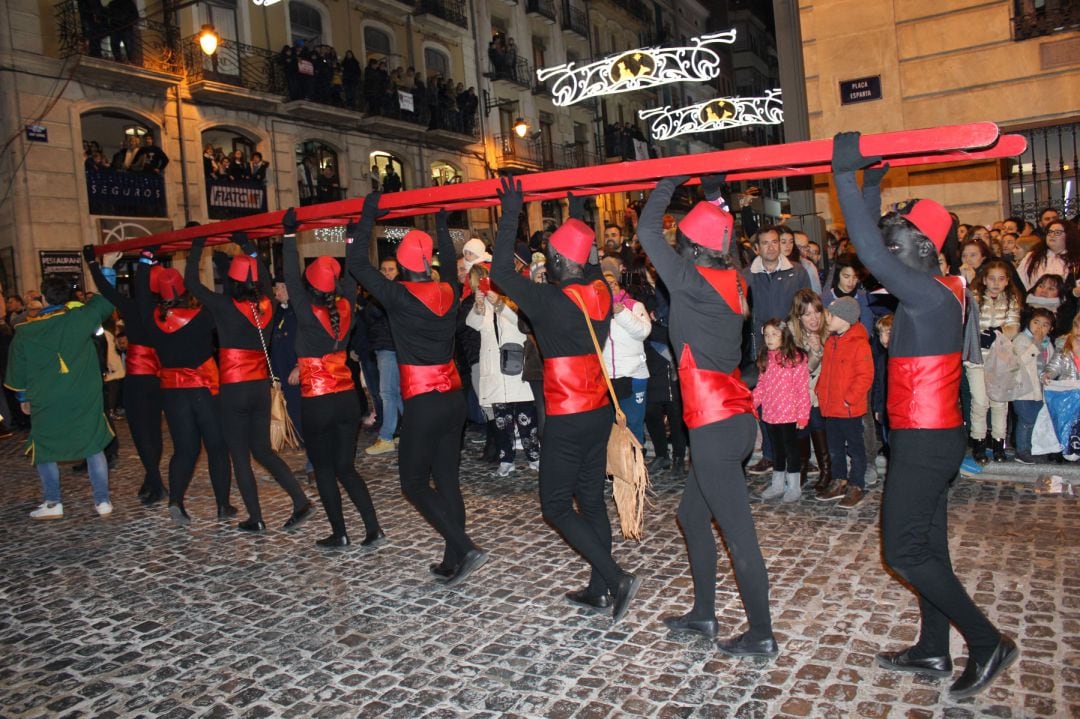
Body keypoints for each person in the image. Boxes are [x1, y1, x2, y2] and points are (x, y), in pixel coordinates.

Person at [832, 132, 1017, 699]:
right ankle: (934, 647)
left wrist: (846, 173)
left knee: (905, 551)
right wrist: (870, 179)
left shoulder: (932, 294)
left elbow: (865, 250)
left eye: (896, 238)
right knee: (928, 547)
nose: (885, 249)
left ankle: (987, 643)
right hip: (929, 436)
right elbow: (872, 247)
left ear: (920, 246)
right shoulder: (939, 289)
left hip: (926, 438)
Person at [635, 174, 777, 656]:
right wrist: (714, 199)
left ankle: (762, 634)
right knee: (692, 516)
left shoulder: (691, 283)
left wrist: (667, 180)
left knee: (740, 538)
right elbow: (719, 242)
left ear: (692, 248)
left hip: (715, 426)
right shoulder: (737, 278)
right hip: (730, 419)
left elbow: (647, 230)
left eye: (681, 244)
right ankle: (704, 616)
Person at [492, 181, 642, 624]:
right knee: (591, 502)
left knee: (556, 504)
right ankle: (599, 590)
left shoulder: (549, 300)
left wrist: (512, 210)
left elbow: (500, 271)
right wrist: (578, 209)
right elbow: (590, 260)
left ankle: (616, 578)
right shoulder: (599, 292)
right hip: (597, 411)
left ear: (556, 261)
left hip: (568, 415)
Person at [347, 196, 487, 585]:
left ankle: (465, 546)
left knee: (412, 482)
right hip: (453, 400)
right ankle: (452, 560)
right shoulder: (448, 288)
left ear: (404, 266)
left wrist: (368, 215)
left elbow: (357, 264)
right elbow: (447, 253)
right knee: (446, 481)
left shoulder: (398, 296)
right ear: (428, 264)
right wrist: (442, 220)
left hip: (424, 402)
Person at [185, 235, 313, 532]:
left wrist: (196, 246)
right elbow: (266, 277)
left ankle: (256, 517)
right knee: (263, 451)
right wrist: (248, 246)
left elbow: (191, 283)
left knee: (240, 456)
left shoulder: (222, 305)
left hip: (234, 388)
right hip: (259, 387)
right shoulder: (266, 304)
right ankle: (299, 500)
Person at [280, 211, 383, 549]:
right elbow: (352, 274)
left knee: (324, 470)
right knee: (346, 468)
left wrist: (289, 234)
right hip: (346, 400)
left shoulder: (307, 311)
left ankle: (340, 533)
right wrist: (353, 236)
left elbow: (289, 277)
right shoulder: (348, 305)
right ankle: (373, 528)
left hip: (318, 401)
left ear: (310, 286)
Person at [4, 276, 116, 520]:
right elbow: (106, 299)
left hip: (46, 398)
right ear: (70, 296)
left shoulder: (25, 330)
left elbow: (18, 369)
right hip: (83, 395)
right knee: (93, 444)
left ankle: (53, 503)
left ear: (42, 298)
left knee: (45, 448)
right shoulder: (82, 317)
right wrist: (105, 268)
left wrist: (24, 396)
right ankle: (102, 501)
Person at [135, 254, 235, 524]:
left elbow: (142, 295)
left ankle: (176, 499)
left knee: (184, 450)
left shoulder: (150, 318)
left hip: (172, 392)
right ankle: (223, 505)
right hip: (203, 389)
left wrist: (144, 263)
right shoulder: (202, 316)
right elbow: (224, 301)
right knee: (216, 447)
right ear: (184, 290)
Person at [83, 246, 167, 505]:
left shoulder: (133, 309)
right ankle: (151, 480)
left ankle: (156, 482)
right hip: (157, 378)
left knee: (142, 433)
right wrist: (145, 260)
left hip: (139, 380)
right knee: (154, 431)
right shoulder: (165, 312)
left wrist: (94, 263)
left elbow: (106, 292)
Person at [466, 265, 539, 477]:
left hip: (518, 371)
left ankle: (534, 456)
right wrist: (479, 306)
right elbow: (472, 323)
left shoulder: (516, 303)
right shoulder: (485, 306)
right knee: (501, 421)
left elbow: (522, 324)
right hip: (495, 373)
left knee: (527, 419)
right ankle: (506, 459)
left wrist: (499, 305)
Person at [814, 297, 875, 507]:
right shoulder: (831, 341)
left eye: (831, 315)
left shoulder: (859, 344)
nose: (826, 318)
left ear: (845, 319)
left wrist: (849, 399)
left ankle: (856, 484)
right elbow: (827, 372)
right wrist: (820, 390)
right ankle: (839, 480)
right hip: (831, 407)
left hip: (848, 409)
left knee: (855, 448)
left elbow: (865, 376)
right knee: (834, 448)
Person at [966, 260, 1022, 464]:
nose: (996, 283)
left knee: (999, 402)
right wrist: (979, 335)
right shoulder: (975, 298)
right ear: (984, 279)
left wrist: (998, 334)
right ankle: (979, 442)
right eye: (991, 278)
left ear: (1007, 281)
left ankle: (999, 444)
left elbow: (1013, 325)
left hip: (1000, 357)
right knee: (980, 402)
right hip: (977, 357)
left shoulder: (1011, 300)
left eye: (1001, 279)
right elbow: (969, 322)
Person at [752, 318, 810, 503]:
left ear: (784, 336)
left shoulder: (796, 358)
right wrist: (750, 403)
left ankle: (793, 486)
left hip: (789, 414)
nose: (769, 339)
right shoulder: (765, 358)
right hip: (770, 413)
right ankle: (777, 483)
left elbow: (802, 389)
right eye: (767, 335)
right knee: (776, 450)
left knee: (791, 450)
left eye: (774, 334)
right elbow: (761, 386)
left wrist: (803, 415)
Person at [601, 270, 652, 444]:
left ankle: (635, 467)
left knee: (633, 425)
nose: (610, 287)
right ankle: (612, 467)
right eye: (604, 284)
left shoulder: (634, 306)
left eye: (613, 283)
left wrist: (621, 313)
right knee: (607, 427)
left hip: (633, 375)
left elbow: (644, 332)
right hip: (606, 377)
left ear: (619, 285)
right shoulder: (596, 309)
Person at [788, 289, 830, 492]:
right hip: (798, 390)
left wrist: (819, 350)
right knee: (801, 427)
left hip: (822, 390)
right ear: (798, 316)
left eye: (817, 312)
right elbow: (800, 370)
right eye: (807, 314)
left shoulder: (829, 329)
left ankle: (826, 469)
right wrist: (815, 353)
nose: (814, 319)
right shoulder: (791, 334)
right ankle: (802, 466)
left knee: (816, 421)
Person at [1011, 309, 1055, 464]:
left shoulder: (1048, 343)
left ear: (1050, 328)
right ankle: (1021, 450)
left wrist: (1049, 374)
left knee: (1035, 421)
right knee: (1026, 420)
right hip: (1023, 390)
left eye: (1045, 325)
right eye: (1036, 322)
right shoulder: (1021, 339)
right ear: (1028, 322)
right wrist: (1035, 343)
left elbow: (1051, 364)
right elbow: (1022, 360)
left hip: (1040, 390)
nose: (1039, 328)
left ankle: (1031, 449)